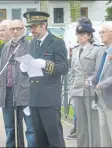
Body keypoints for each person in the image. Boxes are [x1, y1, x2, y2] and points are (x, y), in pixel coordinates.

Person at [21, 11, 69, 147]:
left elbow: (64, 68)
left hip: (49, 99)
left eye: (34, 27)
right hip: (35, 97)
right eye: (30, 27)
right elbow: (32, 70)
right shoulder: (32, 44)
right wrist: (24, 69)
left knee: (54, 138)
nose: (32, 30)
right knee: (39, 139)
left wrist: (47, 64)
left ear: (44, 25)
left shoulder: (56, 42)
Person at [0, 20, 37, 147]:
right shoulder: (5, 48)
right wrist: (0, 92)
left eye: (18, 29)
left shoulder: (29, 45)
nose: (15, 31)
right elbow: (1, 73)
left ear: (23, 29)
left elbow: (34, 71)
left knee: (31, 129)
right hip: (7, 94)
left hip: (25, 94)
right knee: (10, 129)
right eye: (12, 29)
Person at [67, 22, 102, 147]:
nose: (80, 36)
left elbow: (99, 71)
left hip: (90, 91)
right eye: (78, 34)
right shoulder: (75, 50)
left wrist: (91, 80)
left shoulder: (97, 50)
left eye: (83, 34)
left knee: (93, 123)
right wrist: (71, 88)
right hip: (77, 91)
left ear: (89, 36)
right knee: (80, 124)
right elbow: (72, 72)